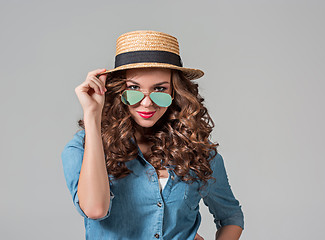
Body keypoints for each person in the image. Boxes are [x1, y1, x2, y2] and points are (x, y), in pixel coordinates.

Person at [61, 30, 244, 240]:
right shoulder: (81, 149)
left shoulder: (197, 151)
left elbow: (231, 216)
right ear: (120, 91)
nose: (147, 102)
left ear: (174, 93)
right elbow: (95, 210)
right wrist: (93, 115)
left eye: (160, 90)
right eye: (134, 89)